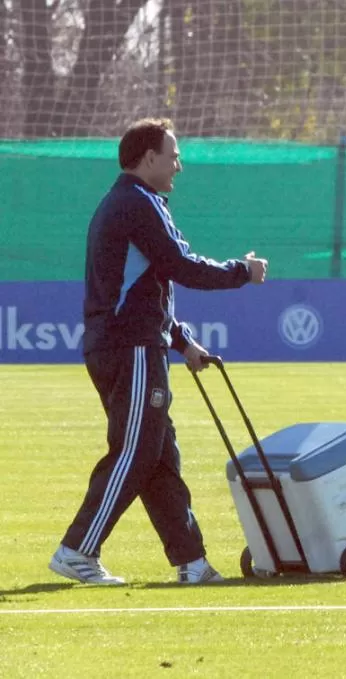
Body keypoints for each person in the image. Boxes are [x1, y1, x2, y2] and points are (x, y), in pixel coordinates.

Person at [49, 118, 269, 585]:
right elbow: (180, 266)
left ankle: (192, 563)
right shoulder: (137, 203)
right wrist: (241, 271)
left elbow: (150, 287)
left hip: (132, 343)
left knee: (157, 455)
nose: (179, 166)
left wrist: (183, 341)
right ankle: (76, 549)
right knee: (134, 452)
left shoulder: (131, 202)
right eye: (173, 155)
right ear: (147, 158)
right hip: (128, 347)